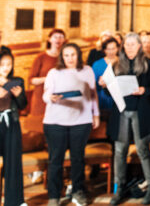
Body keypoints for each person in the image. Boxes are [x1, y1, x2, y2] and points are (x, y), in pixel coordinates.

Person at [43, 43, 100, 206]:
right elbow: (46, 93)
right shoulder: (54, 72)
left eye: (73, 55)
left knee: (78, 159)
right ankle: (54, 195)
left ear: (78, 55)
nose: (70, 58)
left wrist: (95, 114)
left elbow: (93, 93)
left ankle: (77, 191)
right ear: (62, 57)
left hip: (81, 120)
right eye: (66, 55)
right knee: (55, 160)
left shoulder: (87, 71)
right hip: (55, 121)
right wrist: (51, 98)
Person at [109, 33, 150, 205]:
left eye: (133, 44)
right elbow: (111, 90)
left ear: (139, 46)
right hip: (122, 111)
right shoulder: (116, 65)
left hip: (140, 111)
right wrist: (105, 83)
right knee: (119, 151)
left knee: (142, 149)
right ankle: (119, 188)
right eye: (127, 44)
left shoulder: (148, 64)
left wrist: (144, 90)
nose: (129, 47)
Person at [0, 48, 28, 206]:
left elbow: (23, 105)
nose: (6, 67)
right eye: (2, 64)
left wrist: (18, 96)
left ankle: (14, 201)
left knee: (13, 162)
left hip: (11, 122)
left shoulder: (17, 81)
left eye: (8, 64)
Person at [29, 28, 66, 117]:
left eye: (61, 37)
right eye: (55, 37)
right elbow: (31, 80)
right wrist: (48, 78)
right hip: (41, 98)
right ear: (49, 39)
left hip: (60, 98)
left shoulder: (65, 57)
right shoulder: (41, 57)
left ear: (64, 40)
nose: (58, 39)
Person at [92, 37, 120, 111]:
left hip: (119, 99)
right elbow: (93, 85)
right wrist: (99, 83)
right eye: (108, 49)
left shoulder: (123, 62)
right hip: (103, 100)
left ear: (117, 48)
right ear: (104, 50)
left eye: (113, 48)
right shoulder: (97, 64)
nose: (111, 52)